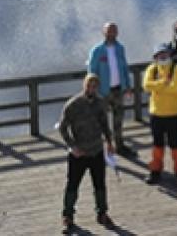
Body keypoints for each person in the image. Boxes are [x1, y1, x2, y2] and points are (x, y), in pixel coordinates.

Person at [58, 74, 116, 234]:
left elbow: (105, 124)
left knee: (100, 184)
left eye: (95, 86)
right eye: (89, 86)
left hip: (97, 150)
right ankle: (67, 216)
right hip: (79, 152)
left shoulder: (100, 102)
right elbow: (62, 127)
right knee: (72, 185)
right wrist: (72, 146)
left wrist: (110, 142)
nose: (92, 89)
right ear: (84, 85)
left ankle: (102, 213)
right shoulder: (73, 104)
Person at [85, 22, 134, 157]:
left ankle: (120, 146)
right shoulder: (97, 50)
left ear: (117, 33)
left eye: (114, 31)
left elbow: (124, 68)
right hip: (102, 92)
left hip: (118, 90)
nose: (111, 33)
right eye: (109, 31)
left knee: (119, 119)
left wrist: (128, 86)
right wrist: (92, 90)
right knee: (100, 121)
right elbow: (92, 71)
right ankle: (99, 148)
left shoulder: (120, 48)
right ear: (104, 32)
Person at [142, 43, 177, 185]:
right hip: (156, 113)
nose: (162, 56)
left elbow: (175, 88)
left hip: (174, 113)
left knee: (175, 145)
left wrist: (157, 87)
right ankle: (155, 171)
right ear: (155, 57)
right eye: (159, 54)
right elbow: (146, 86)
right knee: (157, 145)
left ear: (170, 54)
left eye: (165, 53)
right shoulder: (152, 69)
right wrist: (163, 83)